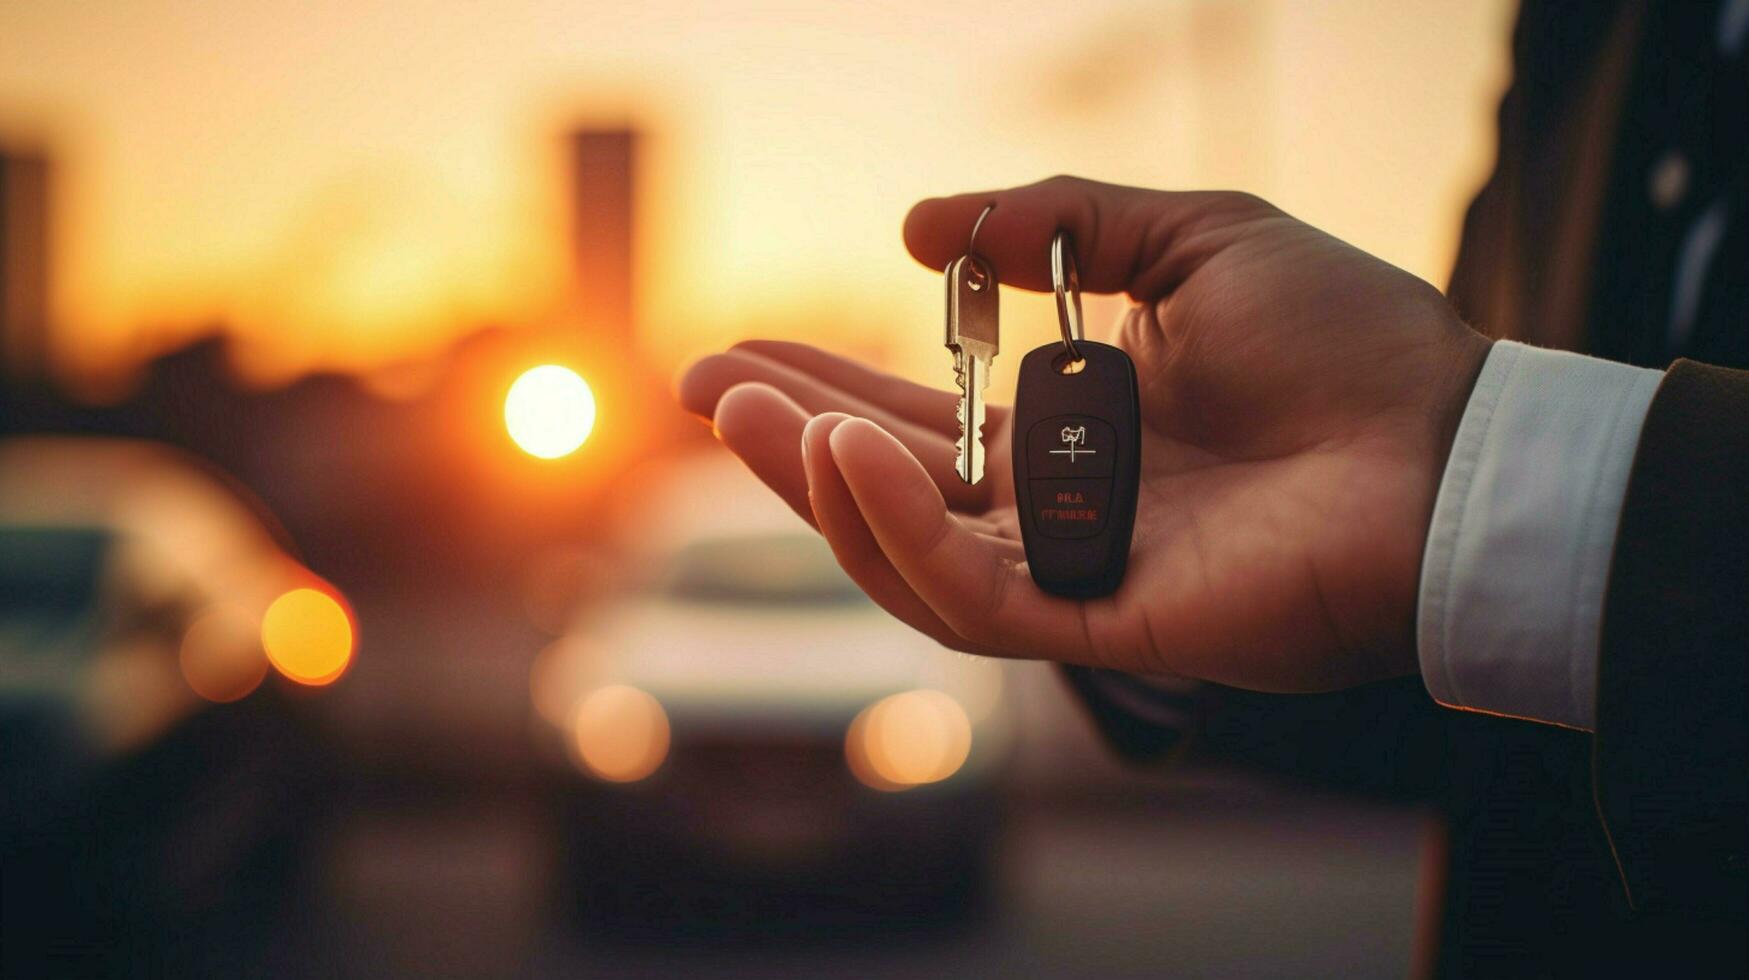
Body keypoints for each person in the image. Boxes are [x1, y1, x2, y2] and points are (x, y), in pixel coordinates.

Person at [679, 3, 1747, 975]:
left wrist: (1512, 493)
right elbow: (1477, 669)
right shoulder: (1583, 28)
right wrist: (1203, 615)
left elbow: (1475, 467)